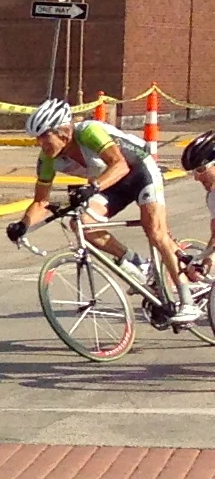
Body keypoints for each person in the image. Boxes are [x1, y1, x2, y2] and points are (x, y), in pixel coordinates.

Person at [13, 97, 199, 320]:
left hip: (139, 171)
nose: (39, 144)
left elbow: (119, 164)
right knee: (81, 223)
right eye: (37, 138)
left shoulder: (89, 132)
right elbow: (41, 202)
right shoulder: (47, 159)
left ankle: (188, 302)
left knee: (156, 232)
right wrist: (22, 225)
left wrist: (94, 186)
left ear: (62, 132)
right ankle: (137, 264)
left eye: (43, 137)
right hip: (110, 183)